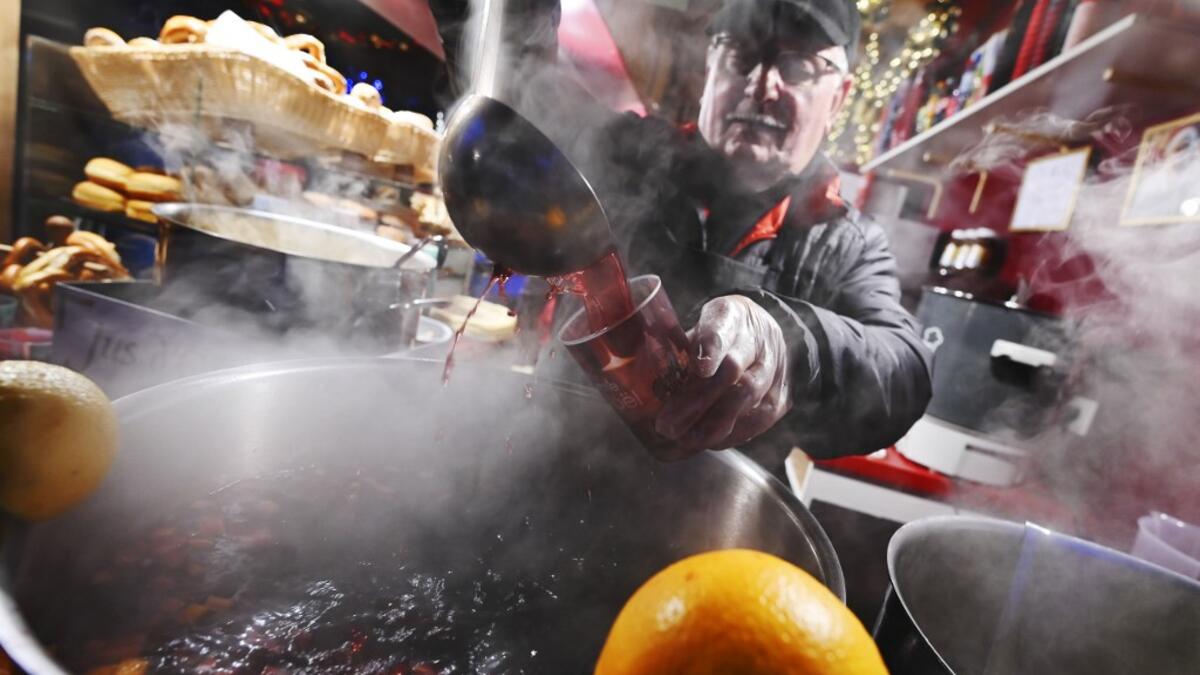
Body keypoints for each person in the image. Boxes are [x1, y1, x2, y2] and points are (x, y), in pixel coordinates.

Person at [498, 0, 933, 464]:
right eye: (741, 55)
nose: (762, 86)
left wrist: (791, 347)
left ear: (839, 99)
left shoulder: (847, 241)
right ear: (711, 70)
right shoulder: (625, 152)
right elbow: (518, 86)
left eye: (798, 66)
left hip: (717, 514)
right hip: (550, 457)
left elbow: (904, 369)